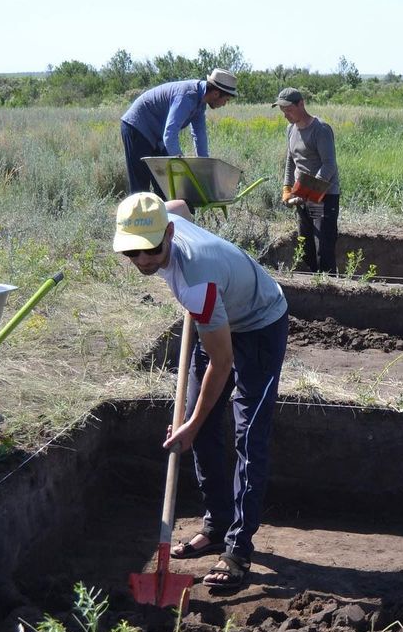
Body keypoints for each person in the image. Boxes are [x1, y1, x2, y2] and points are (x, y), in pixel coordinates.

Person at [113, 192, 288, 594]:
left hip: (259, 322)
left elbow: (222, 362)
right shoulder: (166, 222)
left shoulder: (196, 283)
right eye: (132, 253)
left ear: (169, 235)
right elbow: (177, 203)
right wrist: (196, 423)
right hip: (219, 316)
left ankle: (238, 550)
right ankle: (216, 524)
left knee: (249, 435)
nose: (143, 261)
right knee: (202, 422)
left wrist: (190, 425)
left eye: (152, 251)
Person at [120, 69, 238, 195]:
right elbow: (170, 135)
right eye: (226, 100)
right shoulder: (187, 96)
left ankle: (165, 214)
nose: (225, 104)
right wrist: (182, 165)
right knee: (140, 188)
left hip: (156, 137)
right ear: (215, 93)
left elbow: (199, 135)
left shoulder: (200, 102)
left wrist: (204, 169)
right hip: (137, 126)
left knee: (167, 187)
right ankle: (139, 215)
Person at [273, 87, 340, 274]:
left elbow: (329, 165)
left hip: (323, 196)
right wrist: (287, 188)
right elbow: (290, 160)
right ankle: (312, 287)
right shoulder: (290, 129)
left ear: (301, 104)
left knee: (323, 248)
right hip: (302, 195)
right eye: (282, 110)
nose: (285, 114)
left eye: (288, 109)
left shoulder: (321, 129)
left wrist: (309, 192)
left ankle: (329, 291)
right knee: (306, 245)